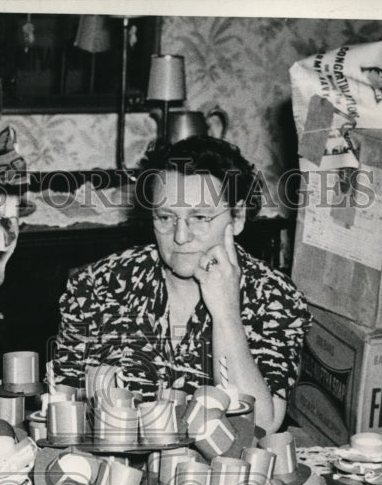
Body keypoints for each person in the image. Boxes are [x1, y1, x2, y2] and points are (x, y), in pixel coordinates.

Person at [50, 136, 311, 433]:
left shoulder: (274, 297)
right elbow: (61, 405)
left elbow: (259, 426)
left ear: (237, 217)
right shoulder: (99, 286)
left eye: (199, 217)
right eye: (165, 217)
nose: (181, 237)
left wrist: (226, 314)